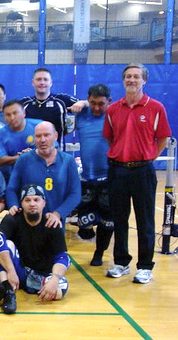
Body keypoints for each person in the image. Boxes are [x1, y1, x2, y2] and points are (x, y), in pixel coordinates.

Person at [103, 63, 171, 284]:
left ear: (144, 81)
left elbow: (162, 139)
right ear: (123, 81)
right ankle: (121, 263)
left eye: (136, 76)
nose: (132, 80)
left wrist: (148, 156)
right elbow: (110, 138)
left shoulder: (156, 108)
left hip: (143, 171)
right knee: (119, 219)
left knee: (145, 220)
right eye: (128, 76)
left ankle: (144, 267)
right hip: (118, 171)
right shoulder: (113, 109)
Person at [0, 184, 70, 314]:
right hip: (17, 270)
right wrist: (11, 271)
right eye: (27, 200)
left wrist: (54, 280)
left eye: (36, 200)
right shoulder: (13, 218)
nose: (32, 204)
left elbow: (63, 257)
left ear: (44, 203)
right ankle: (8, 291)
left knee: (62, 287)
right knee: (3, 243)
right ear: (21, 203)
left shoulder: (52, 223)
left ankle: (32, 288)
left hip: (39, 275)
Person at [6, 122, 81, 229]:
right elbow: (11, 189)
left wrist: (58, 214)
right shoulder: (23, 160)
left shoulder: (68, 161)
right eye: (38, 136)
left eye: (46, 135)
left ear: (55, 136)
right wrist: (13, 205)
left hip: (55, 225)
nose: (42, 140)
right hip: (27, 224)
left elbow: (75, 194)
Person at [73, 84, 113, 266]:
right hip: (86, 179)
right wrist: (79, 103)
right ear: (88, 100)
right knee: (84, 225)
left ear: (109, 103)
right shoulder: (81, 113)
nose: (97, 107)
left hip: (109, 178)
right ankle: (86, 230)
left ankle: (99, 253)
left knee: (107, 221)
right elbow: (59, 109)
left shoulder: (114, 115)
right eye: (93, 103)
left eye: (101, 104)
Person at [0, 100, 42, 181]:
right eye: (8, 115)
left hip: (42, 174)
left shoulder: (39, 126)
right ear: (4, 117)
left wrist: (33, 154)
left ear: (24, 113)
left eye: (15, 113)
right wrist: (21, 157)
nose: (12, 117)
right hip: (17, 178)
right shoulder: (1, 133)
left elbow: (54, 149)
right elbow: (1, 160)